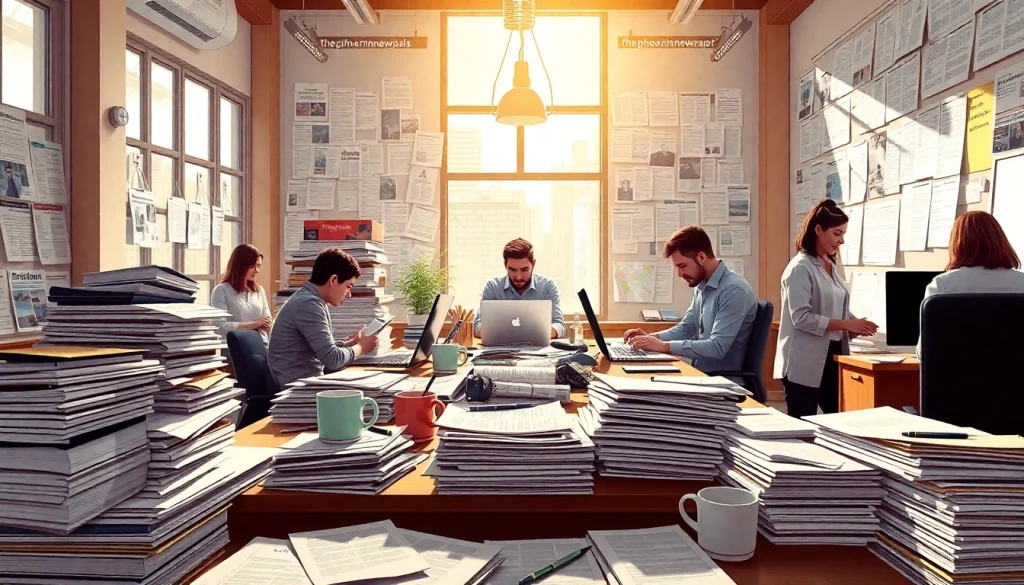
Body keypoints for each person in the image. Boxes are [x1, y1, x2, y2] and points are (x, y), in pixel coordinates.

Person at [774, 199, 878, 418]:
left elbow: (837, 306)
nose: (841, 241)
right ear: (818, 230)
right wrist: (847, 324)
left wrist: (856, 325)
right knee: (803, 427)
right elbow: (801, 318)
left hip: (832, 356)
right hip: (803, 361)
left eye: (843, 234)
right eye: (836, 234)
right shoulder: (800, 268)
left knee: (838, 422)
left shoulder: (829, 265)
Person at [623, 226, 757, 373]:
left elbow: (717, 347)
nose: (680, 274)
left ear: (701, 257)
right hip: (700, 373)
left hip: (722, 381)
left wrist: (664, 346)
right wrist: (649, 339)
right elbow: (686, 328)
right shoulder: (702, 286)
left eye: (683, 266)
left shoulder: (733, 290)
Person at [916, 211, 1024, 356]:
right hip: (1015, 377)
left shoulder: (942, 285)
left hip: (956, 377)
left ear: (957, 243)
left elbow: (924, 352)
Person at [268, 248, 378, 387]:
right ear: (333, 280)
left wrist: (349, 344)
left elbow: (321, 351)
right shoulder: (309, 304)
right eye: (348, 286)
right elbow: (332, 359)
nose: (349, 294)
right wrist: (361, 347)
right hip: (297, 390)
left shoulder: (310, 299)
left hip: (305, 383)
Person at [473, 238, 565, 339]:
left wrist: (537, 334)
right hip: (501, 351)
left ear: (533, 264)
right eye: (512, 270)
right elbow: (478, 326)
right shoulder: (493, 287)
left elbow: (559, 325)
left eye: (524, 270)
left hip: (536, 351)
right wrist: (511, 335)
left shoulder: (548, 286)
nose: (518, 277)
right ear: (505, 265)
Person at [211, 244, 272, 343]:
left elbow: (266, 321)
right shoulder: (221, 290)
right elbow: (219, 326)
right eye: (252, 266)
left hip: (261, 344)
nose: (257, 271)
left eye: (258, 266)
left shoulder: (259, 290)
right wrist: (255, 324)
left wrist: (267, 324)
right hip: (236, 347)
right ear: (240, 266)